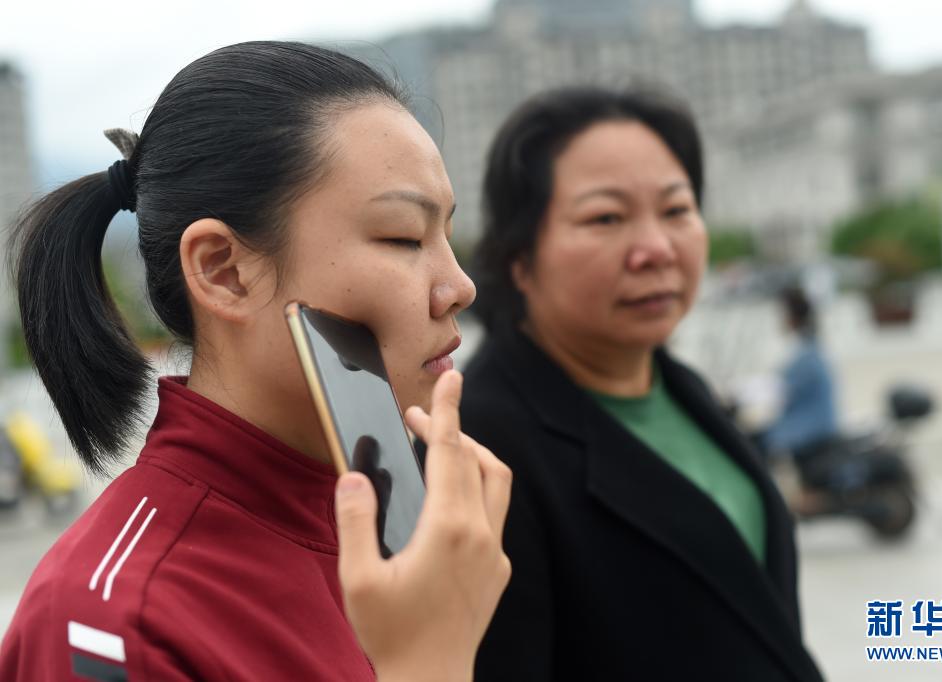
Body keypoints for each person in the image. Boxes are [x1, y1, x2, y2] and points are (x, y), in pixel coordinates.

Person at [1, 41, 511, 682]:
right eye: (403, 237)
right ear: (224, 271)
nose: (460, 286)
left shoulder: (415, 529)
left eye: (447, 236)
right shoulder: (115, 626)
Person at [462, 86, 823, 681]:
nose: (656, 249)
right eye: (606, 218)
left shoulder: (681, 387)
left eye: (676, 210)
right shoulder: (481, 447)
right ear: (518, 258)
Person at [760, 286, 840, 459]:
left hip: (810, 432)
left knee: (759, 443)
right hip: (810, 428)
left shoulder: (806, 354)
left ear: (792, 316)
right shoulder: (809, 347)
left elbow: (777, 389)